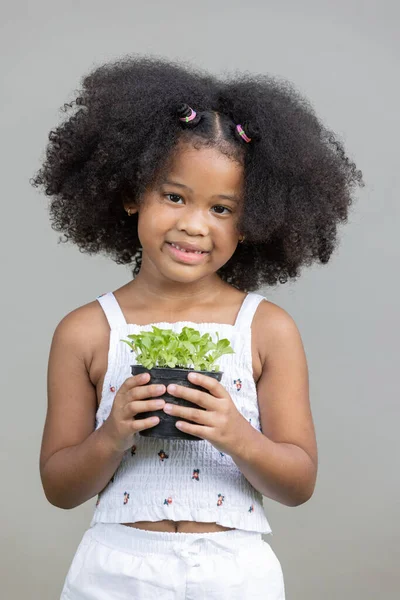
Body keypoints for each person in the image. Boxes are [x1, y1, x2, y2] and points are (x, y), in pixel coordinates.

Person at [32, 55, 364, 599]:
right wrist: (113, 433)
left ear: (255, 221)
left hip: (235, 570)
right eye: (174, 196)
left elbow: (299, 482)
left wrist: (237, 435)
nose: (194, 224)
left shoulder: (267, 329)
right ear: (131, 192)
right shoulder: (85, 331)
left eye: (223, 208)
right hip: (116, 569)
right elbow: (59, 488)